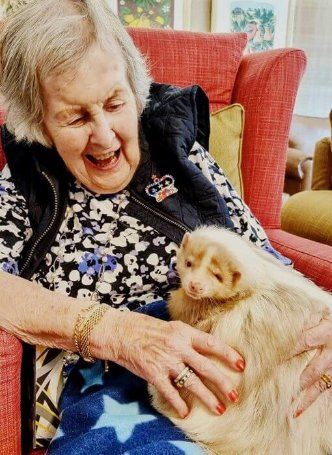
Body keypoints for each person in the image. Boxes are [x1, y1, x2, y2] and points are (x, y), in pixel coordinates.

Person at [0, 1, 331, 453]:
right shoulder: (23, 184)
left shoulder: (182, 159)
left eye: (115, 103)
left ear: (136, 94)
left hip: (245, 380)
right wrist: (117, 332)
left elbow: (263, 259)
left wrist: (321, 319)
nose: (105, 136)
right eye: (75, 117)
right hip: (111, 385)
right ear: (40, 123)